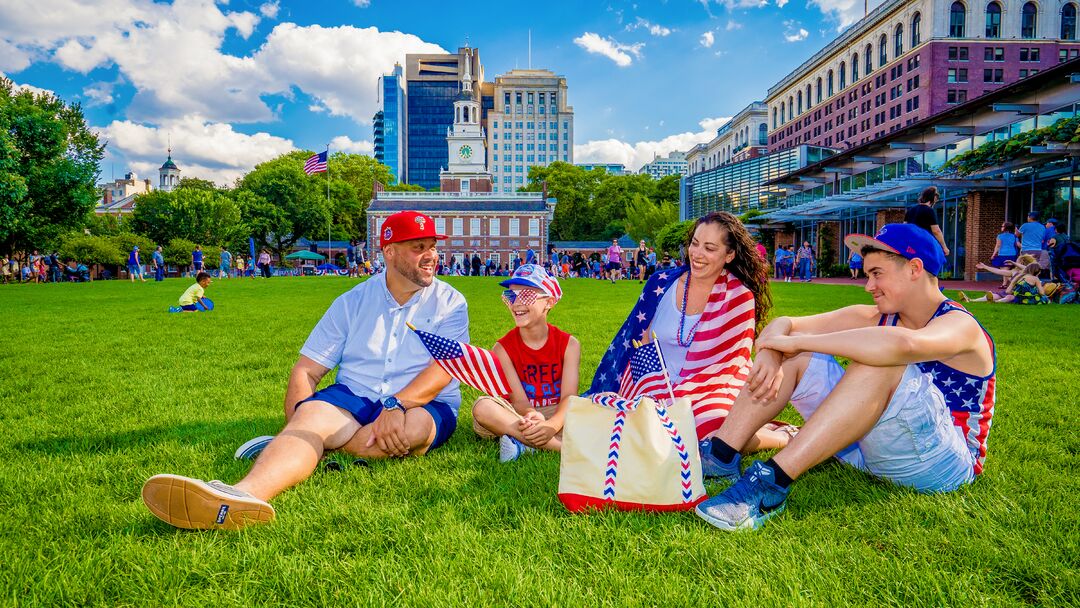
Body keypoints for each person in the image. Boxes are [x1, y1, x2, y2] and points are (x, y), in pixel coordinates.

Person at [142, 211, 468, 530]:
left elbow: (443, 370)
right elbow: (306, 372)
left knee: (407, 434)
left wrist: (395, 405)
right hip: (356, 394)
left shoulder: (451, 303)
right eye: (419, 247)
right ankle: (242, 496)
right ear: (389, 251)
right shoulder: (351, 301)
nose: (431, 256)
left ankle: (303, 445)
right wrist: (299, 420)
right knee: (310, 421)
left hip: (425, 401)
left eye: (433, 246)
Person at [695, 224, 995, 532]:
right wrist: (775, 352)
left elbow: (901, 345)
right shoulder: (877, 315)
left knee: (879, 359)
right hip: (871, 451)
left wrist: (797, 342)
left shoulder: (960, 323)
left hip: (944, 464)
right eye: (868, 275)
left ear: (915, 268)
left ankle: (771, 483)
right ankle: (720, 454)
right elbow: (784, 324)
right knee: (800, 357)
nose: (869, 286)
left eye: (877, 274)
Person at [591, 211, 795, 450]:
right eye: (695, 244)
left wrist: (681, 397)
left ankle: (783, 437)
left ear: (729, 255)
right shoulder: (661, 282)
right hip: (653, 381)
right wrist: (660, 394)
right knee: (625, 424)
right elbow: (642, 343)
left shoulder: (739, 297)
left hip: (714, 384)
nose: (697, 254)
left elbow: (728, 365)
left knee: (710, 432)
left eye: (710, 248)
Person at [472, 265, 579, 462]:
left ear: (549, 302)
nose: (516, 303)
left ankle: (522, 443)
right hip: (518, 415)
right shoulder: (502, 348)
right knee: (483, 407)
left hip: (556, 412)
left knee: (595, 409)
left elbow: (569, 397)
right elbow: (519, 400)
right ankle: (561, 448)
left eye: (527, 295)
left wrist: (552, 425)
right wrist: (532, 415)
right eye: (511, 296)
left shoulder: (569, 345)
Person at [959, 262, 1049, 304]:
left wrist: (1014, 263)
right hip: (1008, 292)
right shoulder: (1015, 273)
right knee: (994, 295)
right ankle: (971, 300)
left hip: (1014, 294)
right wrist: (985, 267)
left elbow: (1028, 267)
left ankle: (995, 302)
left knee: (1009, 297)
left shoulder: (1029, 275)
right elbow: (998, 271)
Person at [905, 186, 950, 257]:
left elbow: (905, 227)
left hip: (911, 245)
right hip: (924, 245)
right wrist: (944, 247)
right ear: (933, 198)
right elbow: (936, 231)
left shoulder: (911, 210)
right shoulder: (929, 211)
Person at [990, 221, 1019, 286]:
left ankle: (1015, 283)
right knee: (1005, 270)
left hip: (1003, 254)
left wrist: (993, 254)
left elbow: (998, 246)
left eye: (1002, 226)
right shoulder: (1014, 236)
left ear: (1005, 228)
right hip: (1012, 254)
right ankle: (1004, 284)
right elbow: (1018, 244)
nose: (1001, 227)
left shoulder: (1000, 236)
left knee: (1004, 271)